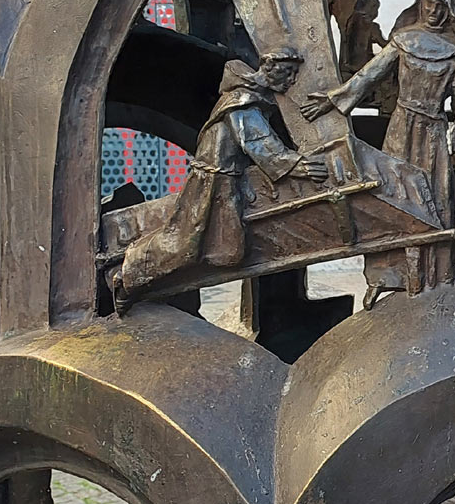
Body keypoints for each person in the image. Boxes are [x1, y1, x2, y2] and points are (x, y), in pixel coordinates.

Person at [115, 47, 328, 314]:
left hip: (229, 180)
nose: (292, 80)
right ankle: (129, 274)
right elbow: (259, 144)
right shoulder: (242, 102)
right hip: (212, 182)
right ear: (269, 67)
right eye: (287, 73)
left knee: (230, 251)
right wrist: (300, 167)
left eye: (294, 74)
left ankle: (156, 279)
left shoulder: (253, 99)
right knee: (184, 242)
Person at [302, 0, 455, 298]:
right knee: (392, 197)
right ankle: (385, 277)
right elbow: (369, 75)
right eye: (428, 4)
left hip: (434, 133)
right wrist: (334, 100)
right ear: (419, 5)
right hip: (401, 127)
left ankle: (432, 275)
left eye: (441, 7)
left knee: (433, 202)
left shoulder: (453, 55)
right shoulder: (402, 42)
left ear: (448, 12)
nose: (434, 12)